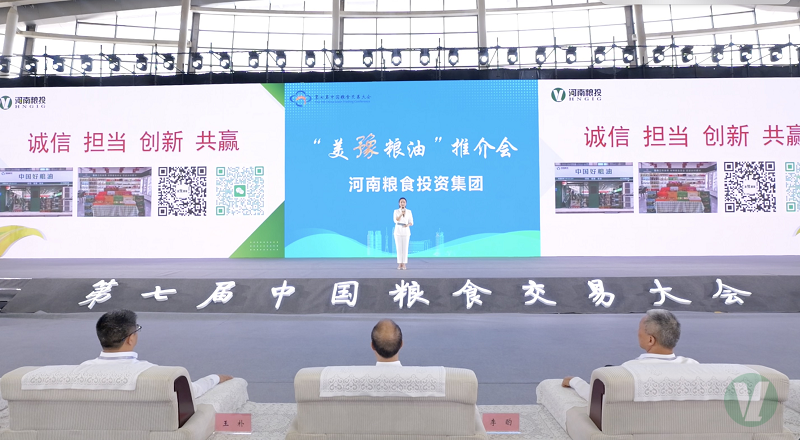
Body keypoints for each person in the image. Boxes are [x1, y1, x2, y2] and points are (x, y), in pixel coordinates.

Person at [83, 309, 232, 398]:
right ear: (130, 339)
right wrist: (215, 378)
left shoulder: (79, 372)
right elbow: (192, 391)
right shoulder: (154, 375)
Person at [562, 309, 697, 401]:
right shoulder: (694, 367)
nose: (637, 333)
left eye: (639, 329)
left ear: (651, 340)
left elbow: (596, 398)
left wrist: (575, 381)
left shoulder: (630, 371)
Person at [393, 197, 413, 270]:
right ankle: (399, 263)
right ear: (399, 203)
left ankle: (404, 263)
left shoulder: (409, 211)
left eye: (404, 202)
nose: (402, 203)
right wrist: (401, 214)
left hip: (406, 230)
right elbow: (396, 220)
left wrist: (408, 225)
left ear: (406, 203)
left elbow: (411, 222)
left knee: (405, 248)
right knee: (399, 248)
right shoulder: (396, 211)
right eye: (401, 202)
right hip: (398, 230)